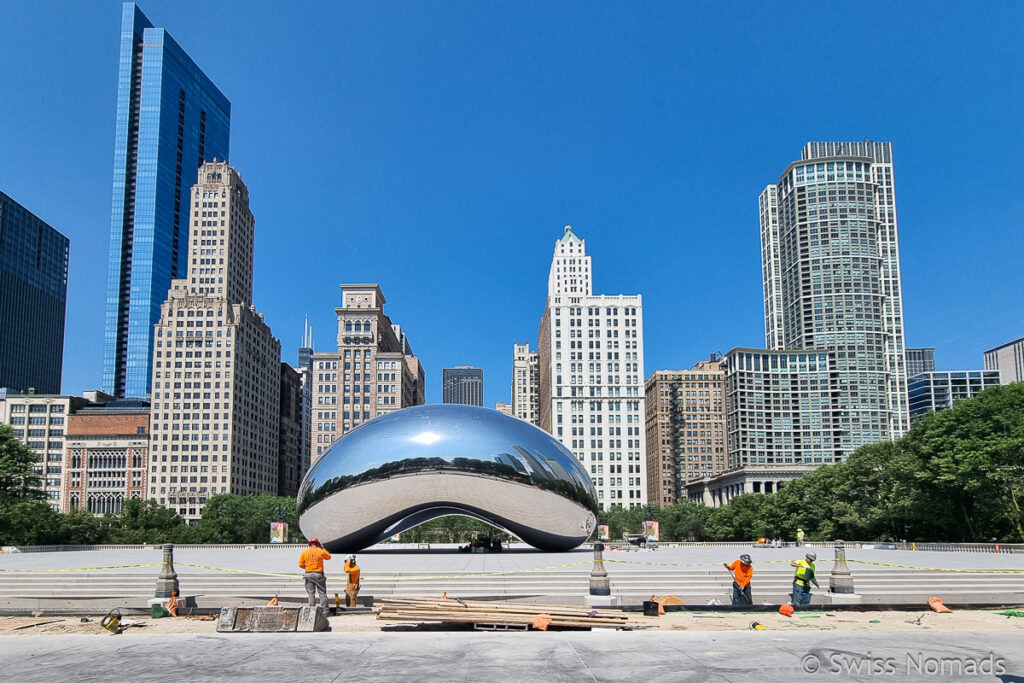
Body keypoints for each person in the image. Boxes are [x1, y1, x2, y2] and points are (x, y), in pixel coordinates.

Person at [298, 537, 332, 612]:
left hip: (308, 574)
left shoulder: (305, 552)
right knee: (322, 592)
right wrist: (322, 548)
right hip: (318, 574)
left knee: (311, 593)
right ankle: (325, 610)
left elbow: (300, 564)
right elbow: (329, 557)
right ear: (317, 544)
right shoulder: (320, 552)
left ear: (309, 544)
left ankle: (312, 610)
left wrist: (307, 567)